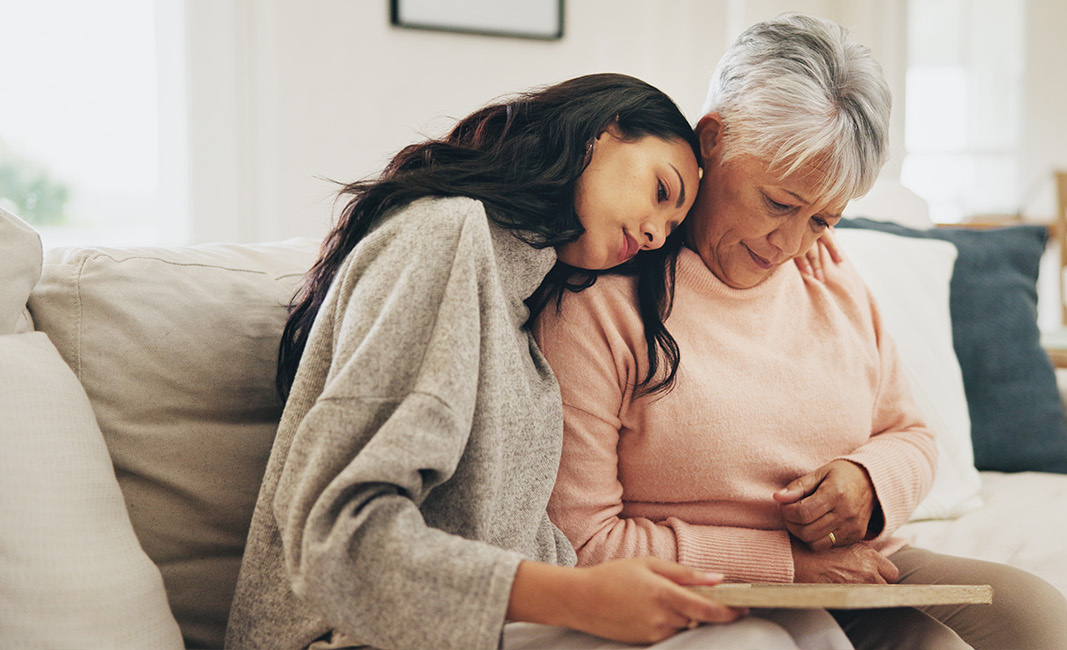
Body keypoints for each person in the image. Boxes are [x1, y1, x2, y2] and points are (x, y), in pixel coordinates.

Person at [533, 15, 1067, 650]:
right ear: (712, 140)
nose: (790, 246)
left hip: (844, 568)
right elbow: (582, 542)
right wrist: (783, 564)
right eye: (779, 203)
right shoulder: (603, 293)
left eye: (823, 218)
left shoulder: (828, 273)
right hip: (696, 580)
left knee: (1034, 617)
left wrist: (868, 481)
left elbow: (910, 432)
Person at [224, 72, 801, 650]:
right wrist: (581, 598)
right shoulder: (445, 236)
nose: (655, 235)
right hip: (355, 636)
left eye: (672, 228)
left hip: (494, 632)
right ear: (601, 133)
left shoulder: (522, 304)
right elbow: (334, 538)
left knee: (802, 631)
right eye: (660, 192)